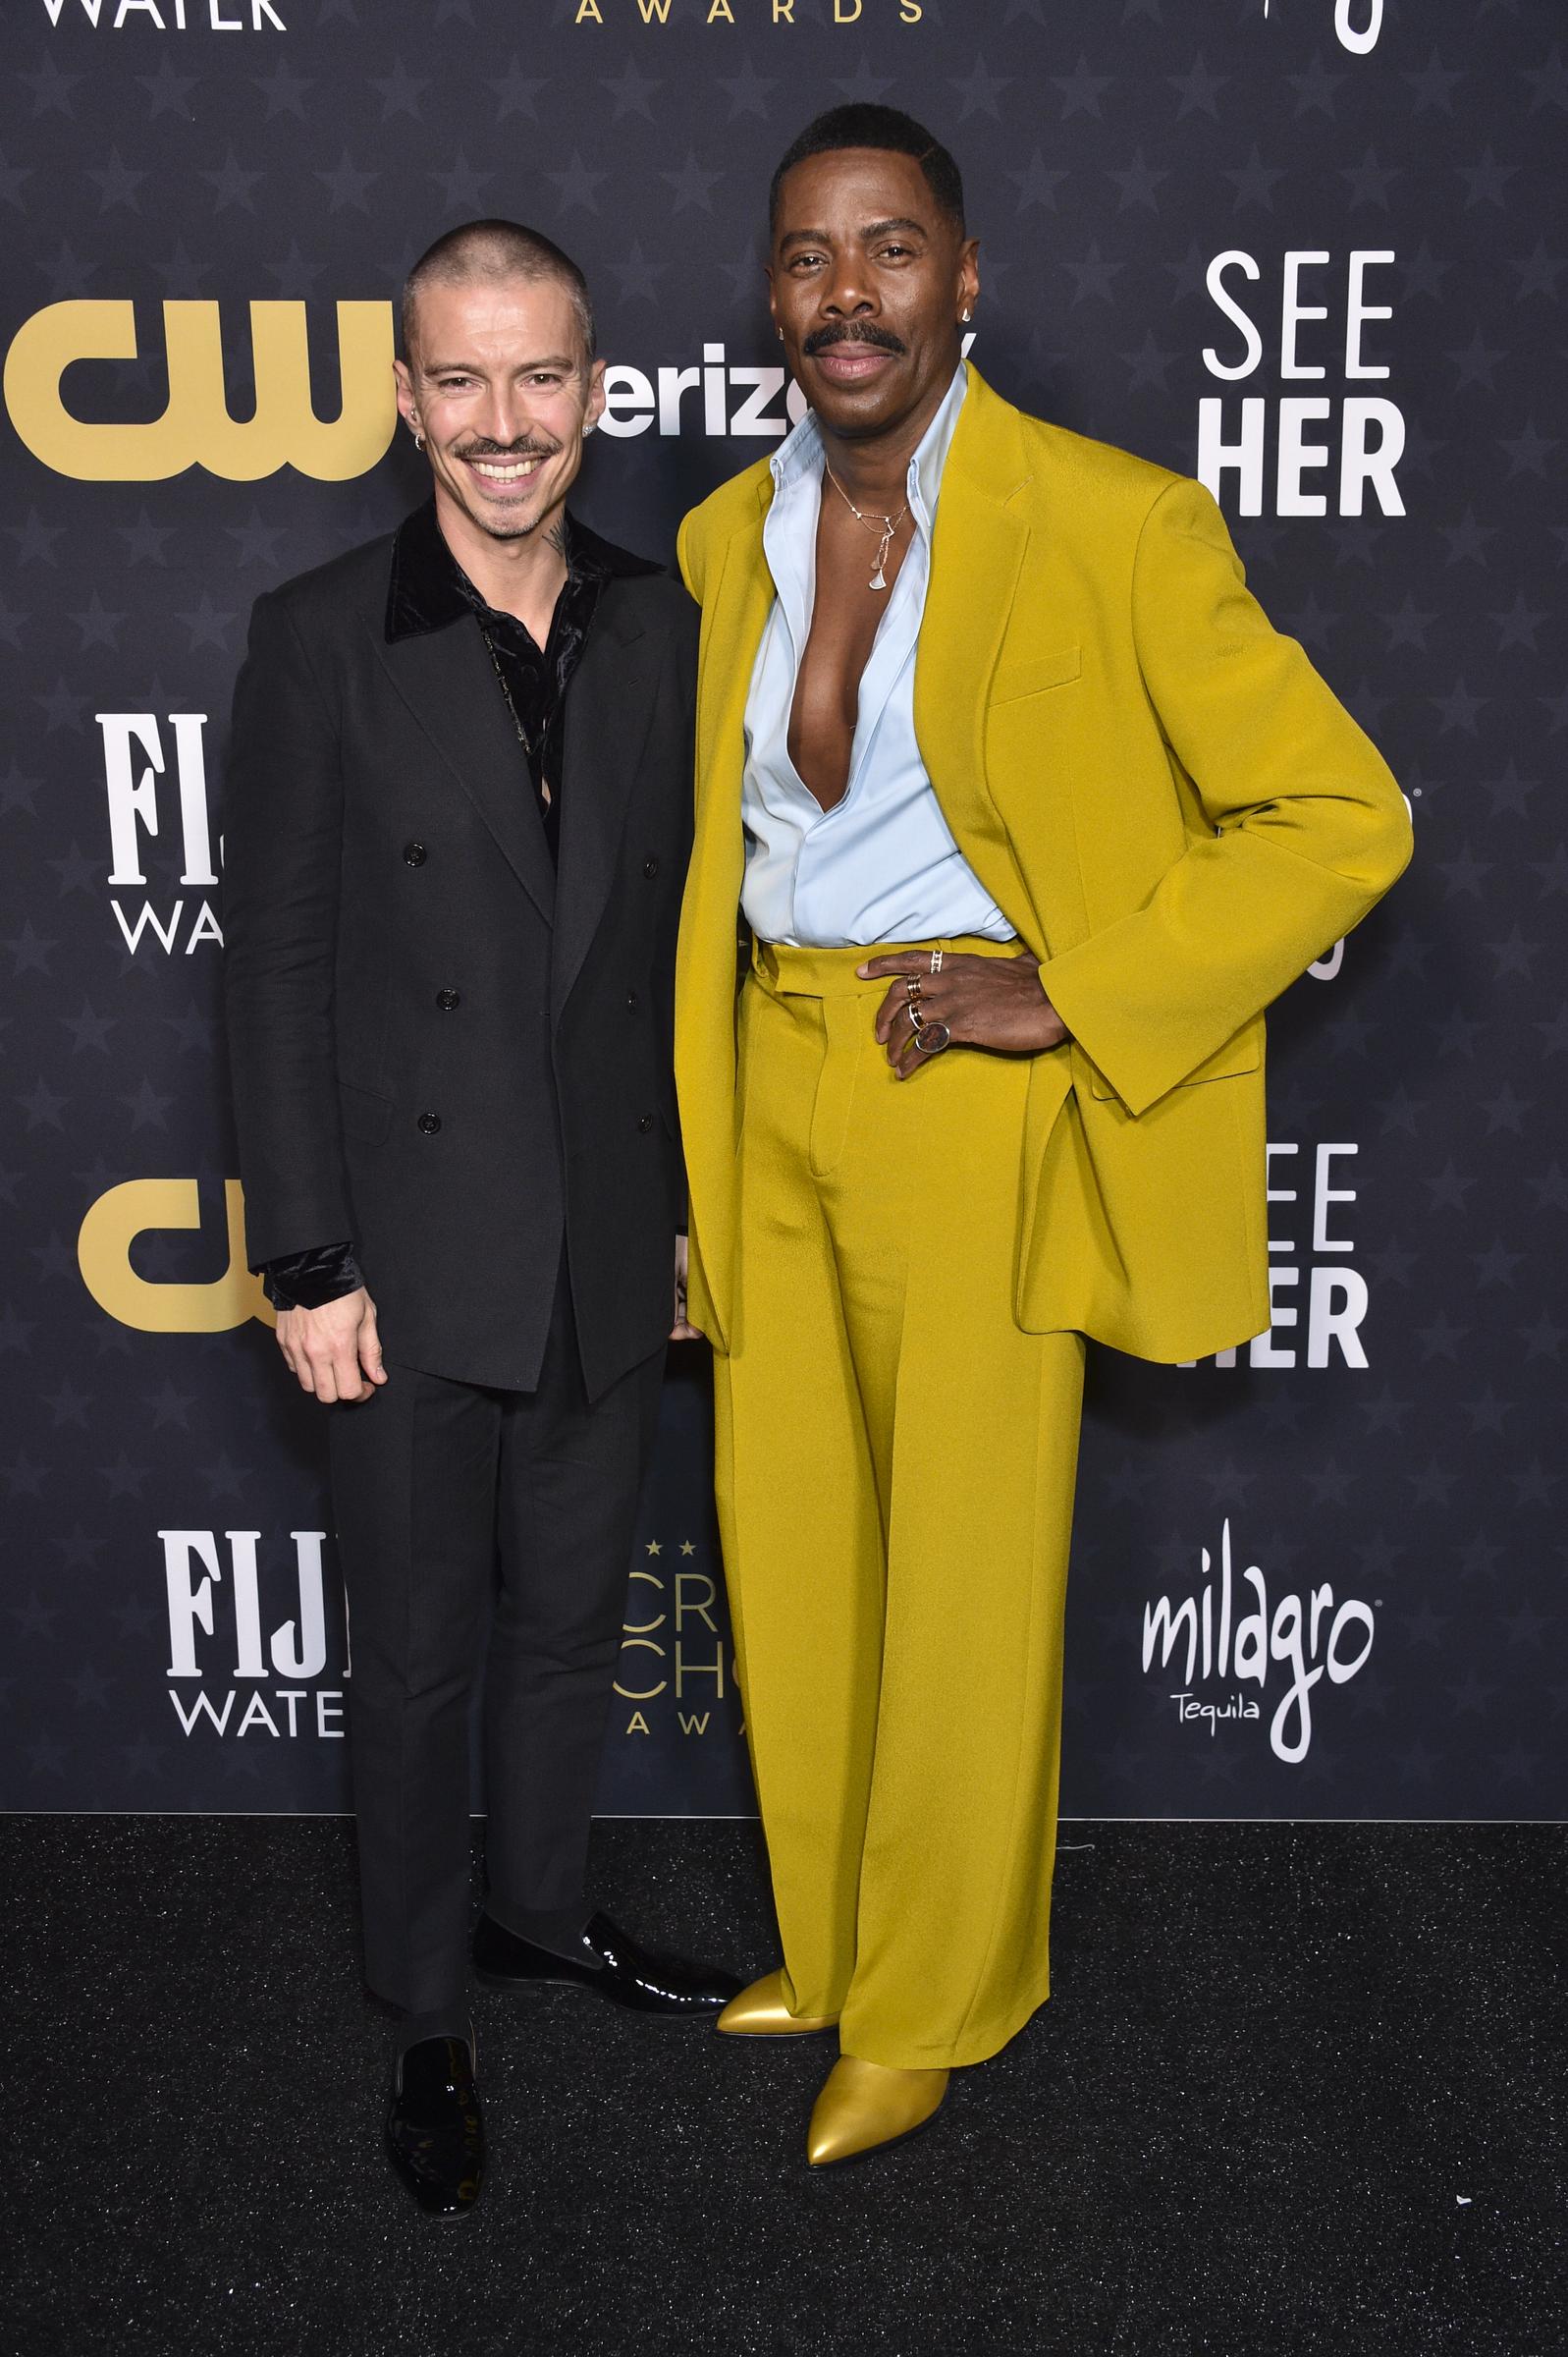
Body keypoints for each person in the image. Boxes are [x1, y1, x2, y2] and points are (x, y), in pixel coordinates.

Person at [673, 107, 1411, 2167]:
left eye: (890, 248)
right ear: (773, 293)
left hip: (964, 1090)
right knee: (793, 1544)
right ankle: (832, 1943)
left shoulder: (1114, 524)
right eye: (809, 254)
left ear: (965, 277)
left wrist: (1069, 990)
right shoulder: (729, 536)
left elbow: (1342, 819)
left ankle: (936, 2000)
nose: (847, 292)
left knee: (966, 1578)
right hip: (763, 1074)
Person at [224, 219, 737, 2220]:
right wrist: (307, 1256)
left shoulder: (663, 623)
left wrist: (689, 1216)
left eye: (541, 380)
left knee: (567, 1638)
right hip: (411, 1260)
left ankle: (539, 1913)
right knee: (424, 1654)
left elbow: (683, 956)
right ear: (408, 397)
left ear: (593, 391)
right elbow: (265, 967)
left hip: (611, 1247)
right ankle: (426, 2007)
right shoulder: (314, 635)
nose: (504, 424)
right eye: (463, 380)